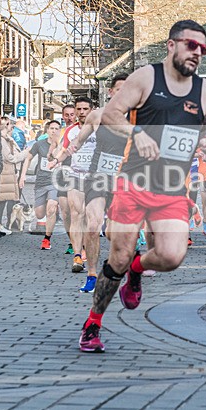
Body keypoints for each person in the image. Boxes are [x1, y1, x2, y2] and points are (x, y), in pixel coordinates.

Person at [78, 19, 206, 352]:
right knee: (120, 255)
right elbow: (112, 114)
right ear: (171, 45)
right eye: (190, 45)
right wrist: (136, 134)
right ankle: (93, 323)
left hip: (171, 188)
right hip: (134, 182)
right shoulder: (146, 77)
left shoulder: (205, 90)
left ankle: (138, 269)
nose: (197, 53)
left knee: (171, 257)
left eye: (203, 48)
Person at [65, 75, 128, 292]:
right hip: (98, 176)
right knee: (92, 227)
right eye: (118, 90)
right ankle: (92, 274)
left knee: (115, 231)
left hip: (124, 179)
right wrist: (73, 145)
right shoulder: (97, 116)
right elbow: (80, 139)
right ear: (110, 92)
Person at [51, 97, 95, 273]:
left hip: (95, 178)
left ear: (91, 110)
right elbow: (65, 150)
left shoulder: (100, 129)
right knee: (76, 213)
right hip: (75, 176)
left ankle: (89, 250)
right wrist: (55, 160)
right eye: (79, 109)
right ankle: (78, 255)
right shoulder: (70, 130)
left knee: (91, 218)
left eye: (85, 108)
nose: (82, 112)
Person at [19, 120, 62, 250]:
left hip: (55, 182)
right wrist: (22, 176)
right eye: (51, 128)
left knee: (51, 207)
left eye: (56, 128)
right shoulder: (39, 144)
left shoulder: (62, 146)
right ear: (47, 130)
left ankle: (47, 238)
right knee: (39, 213)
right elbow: (28, 158)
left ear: (60, 131)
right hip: (41, 182)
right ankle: (54, 212)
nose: (54, 131)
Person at [0, 117, 29, 234]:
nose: (13, 127)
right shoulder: (2, 140)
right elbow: (9, 157)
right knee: (2, 199)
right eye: (11, 125)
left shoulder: (8, 139)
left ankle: (9, 222)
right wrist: (25, 154)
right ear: (6, 126)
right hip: (6, 172)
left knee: (10, 198)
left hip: (10, 172)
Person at [58, 104, 77, 255]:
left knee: (77, 209)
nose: (69, 117)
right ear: (62, 116)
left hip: (78, 172)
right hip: (63, 172)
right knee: (65, 210)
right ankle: (72, 241)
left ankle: (79, 243)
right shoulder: (58, 132)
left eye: (72, 114)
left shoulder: (81, 130)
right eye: (67, 115)